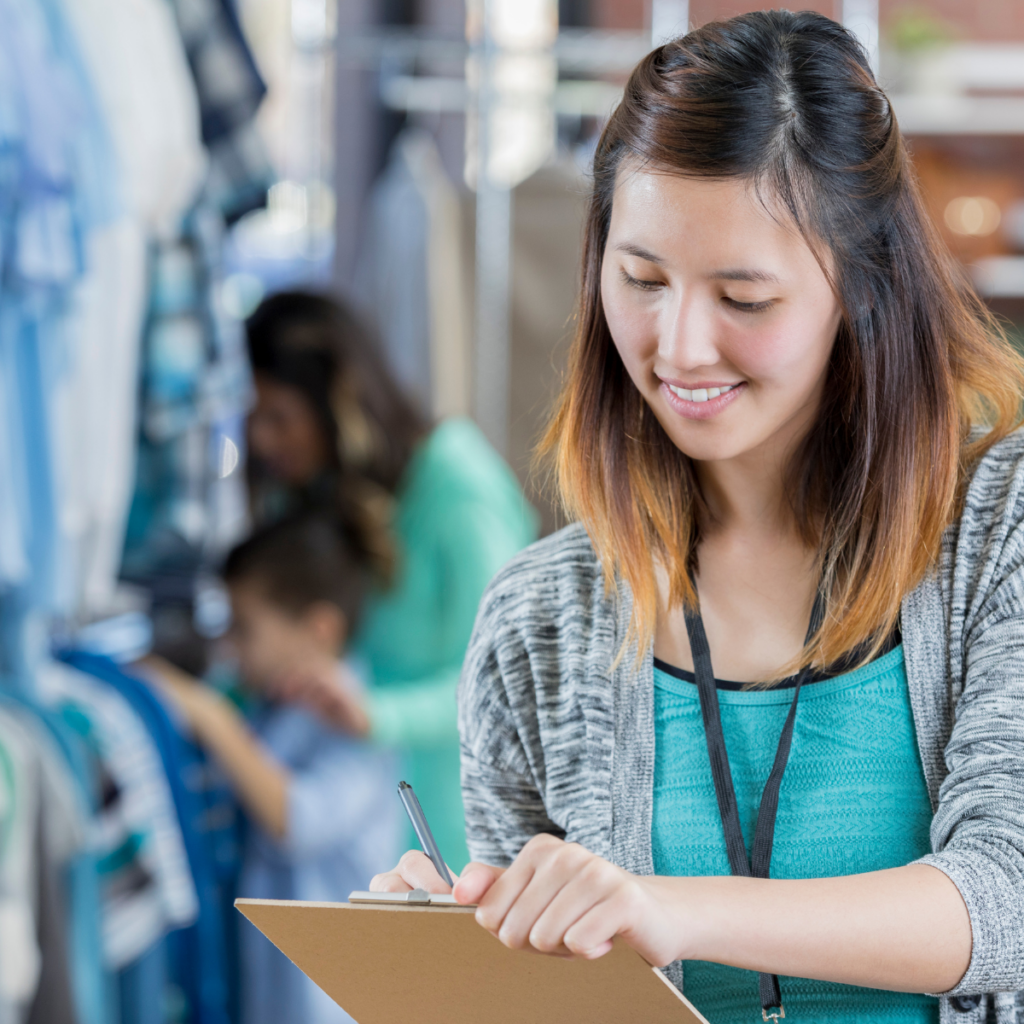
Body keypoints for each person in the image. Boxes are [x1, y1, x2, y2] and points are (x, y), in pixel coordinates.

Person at [370, 11, 1024, 1024]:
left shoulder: (1001, 531)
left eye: (742, 297)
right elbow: (548, 1004)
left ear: (863, 289)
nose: (678, 345)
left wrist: (666, 910)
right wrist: (460, 959)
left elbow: (1004, 895)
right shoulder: (539, 619)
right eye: (641, 281)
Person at [243, 290, 538, 870]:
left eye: (279, 416)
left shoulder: (455, 484)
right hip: (372, 845)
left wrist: (374, 714)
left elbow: (509, 684)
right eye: (253, 417)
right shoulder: (329, 498)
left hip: (464, 847)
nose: (261, 440)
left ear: (336, 402)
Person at [144, 516, 401, 1024]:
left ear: (319, 630)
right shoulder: (275, 708)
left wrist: (212, 718)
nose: (229, 647)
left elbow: (296, 821)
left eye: (243, 628)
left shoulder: (357, 725)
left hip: (329, 1004)